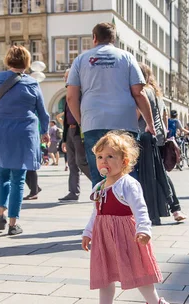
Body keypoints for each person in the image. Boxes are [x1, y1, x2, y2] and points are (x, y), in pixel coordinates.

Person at [80, 132, 171, 304]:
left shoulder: (127, 184)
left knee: (137, 271)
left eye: (110, 156)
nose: (104, 161)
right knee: (105, 272)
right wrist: (88, 232)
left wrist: (144, 230)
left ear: (124, 161)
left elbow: (140, 209)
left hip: (125, 236)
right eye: (100, 157)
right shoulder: (99, 186)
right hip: (104, 236)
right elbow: (96, 212)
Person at [66, 22, 156, 187]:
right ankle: (129, 210)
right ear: (114, 39)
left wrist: (81, 121)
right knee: (126, 171)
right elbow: (139, 92)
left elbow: (71, 97)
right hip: (124, 122)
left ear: (94, 38)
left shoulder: (81, 59)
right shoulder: (127, 57)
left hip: (93, 121)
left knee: (99, 172)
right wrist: (150, 124)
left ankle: (103, 211)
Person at [0, 46, 49, 236]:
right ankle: (13, 223)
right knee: (18, 178)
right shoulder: (32, 83)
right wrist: (46, 132)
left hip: (0, 132)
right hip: (24, 134)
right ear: (27, 62)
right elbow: (42, 112)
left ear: (8, 60)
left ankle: (1, 213)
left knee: (2, 174)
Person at [136, 63, 186, 224]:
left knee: (156, 174)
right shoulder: (156, 93)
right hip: (157, 137)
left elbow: (136, 115)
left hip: (145, 136)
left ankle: (173, 208)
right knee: (160, 173)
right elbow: (164, 117)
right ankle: (174, 208)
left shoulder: (143, 92)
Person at [57, 69, 91, 202]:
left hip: (79, 130)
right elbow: (66, 118)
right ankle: (73, 192)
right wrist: (64, 139)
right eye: (65, 77)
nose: (66, 80)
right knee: (71, 163)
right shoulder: (69, 94)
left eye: (67, 77)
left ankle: (101, 186)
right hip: (70, 131)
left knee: (81, 161)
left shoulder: (81, 93)